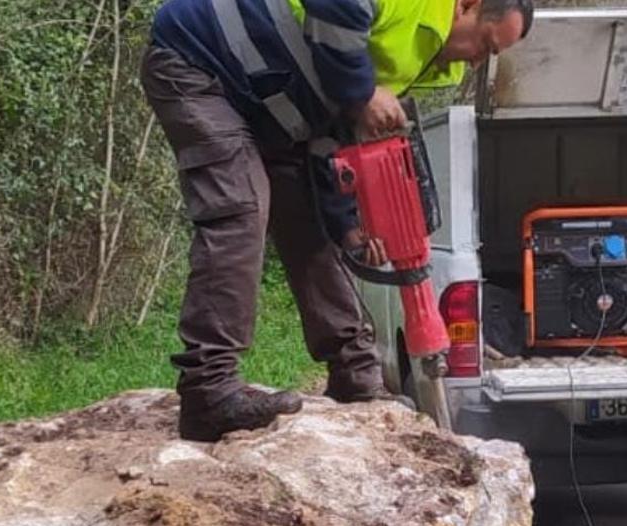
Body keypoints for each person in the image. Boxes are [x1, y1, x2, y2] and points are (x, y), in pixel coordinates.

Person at [141, 0, 534, 442]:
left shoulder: (419, 64)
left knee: (311, 224)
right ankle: (207, 393)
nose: (479, 60)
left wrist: (348, 226)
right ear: (469, 5)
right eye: (484, 43)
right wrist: (362, 90)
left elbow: (329, 139)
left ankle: (354, 374)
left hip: (273, 107)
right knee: (241, 209)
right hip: (198, 62)